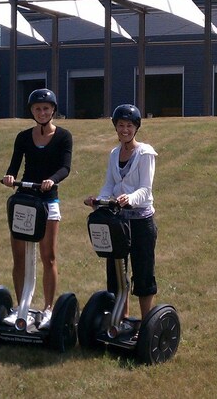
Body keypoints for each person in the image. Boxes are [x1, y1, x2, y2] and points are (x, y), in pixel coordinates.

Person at [1, 88, 73, 329]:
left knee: (48, 256)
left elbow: (65, 167)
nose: (42, 112)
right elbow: (14, 166)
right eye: (37, 108)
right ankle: (20, 305)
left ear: (53, 110)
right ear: (31, 111)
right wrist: (10, 177)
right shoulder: (23, 137)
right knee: (19, 257)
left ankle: (49, 308)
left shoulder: (63, 136)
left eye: (46, 108)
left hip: (48, 200)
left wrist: (52, 179)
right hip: (25, 199)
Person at [83, 104, 158, 324]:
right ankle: (121, 319)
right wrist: (98, 200)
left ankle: (146, 324)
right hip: (117, 221)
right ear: (115, 127)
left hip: (141, 221)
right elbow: (110, 185)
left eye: (129, 126)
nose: (124, 129)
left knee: (143, 271)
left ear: (136, 128)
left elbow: (146, 189)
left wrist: (130, 198)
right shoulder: (115, 153)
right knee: (116, 271)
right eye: (121, 125)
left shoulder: (145, 153)